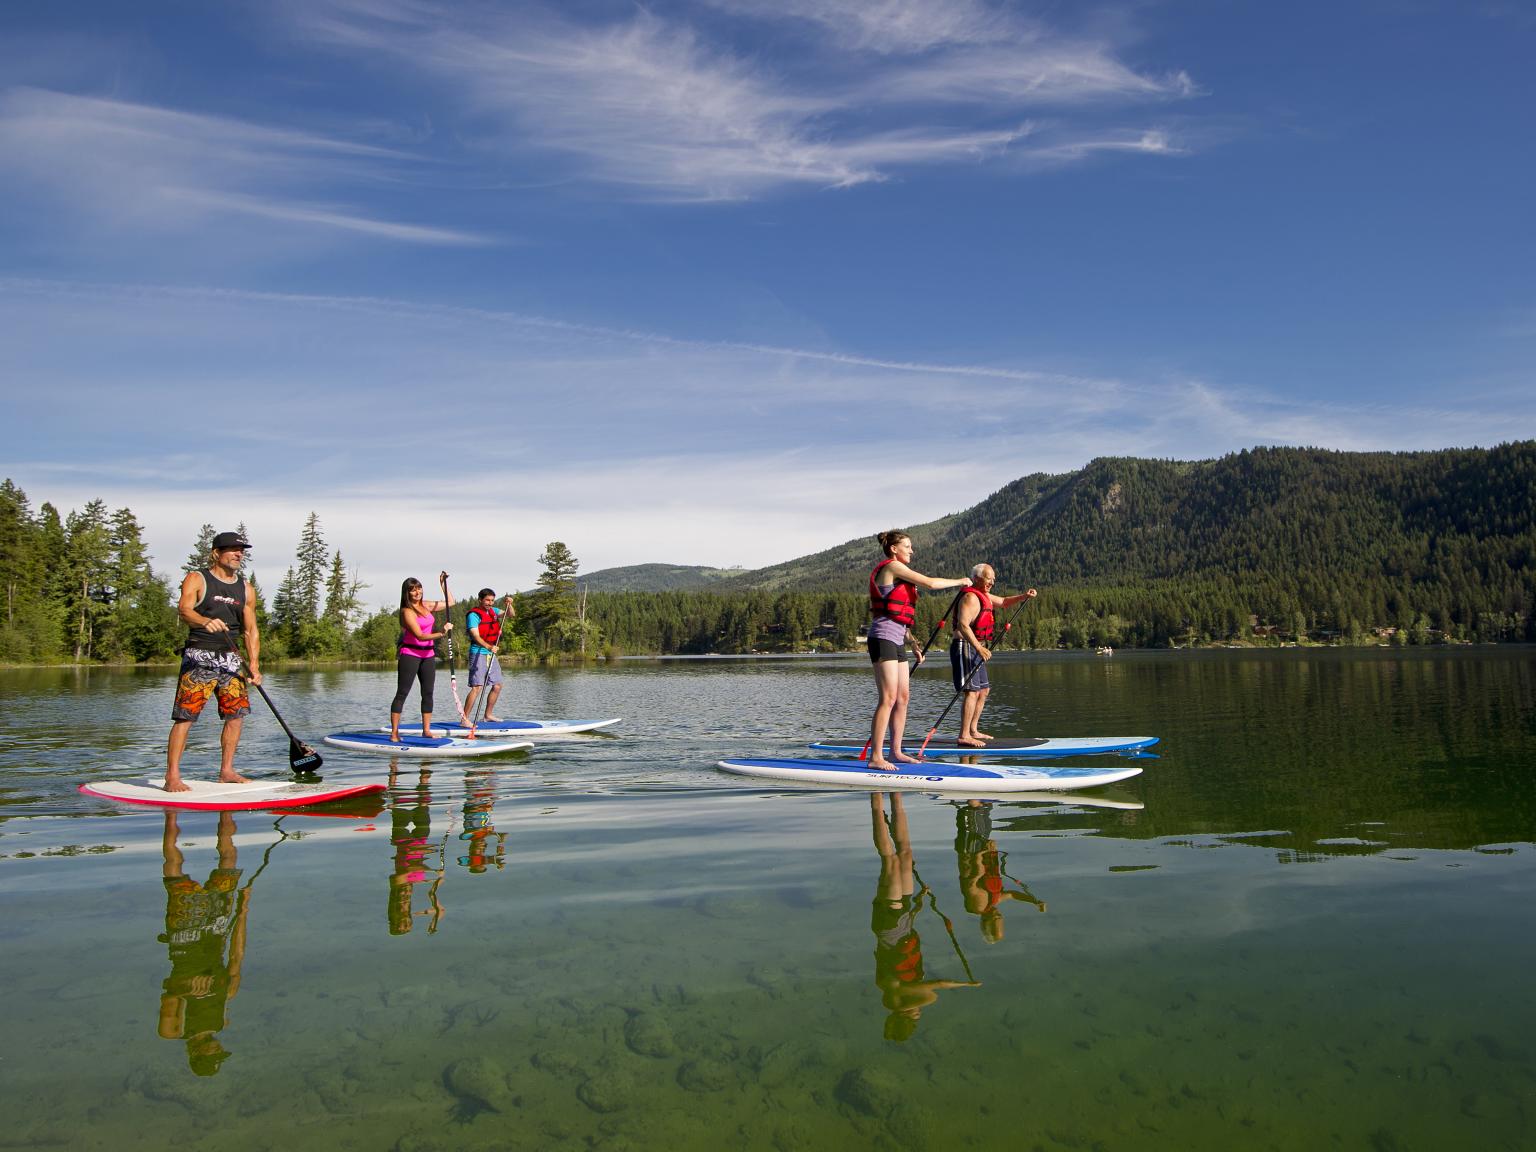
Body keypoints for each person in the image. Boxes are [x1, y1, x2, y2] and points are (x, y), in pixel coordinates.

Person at [869, 793, 978, 1041]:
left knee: (890, 861)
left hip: (888, 925)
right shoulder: (905, 996)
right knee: (905, 853)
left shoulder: (893, 998)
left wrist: (961, 985)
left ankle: (876, 799)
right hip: (904, 921)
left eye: (916, 1016)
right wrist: (918, 904)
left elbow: (933, 991)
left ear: (904, 1017)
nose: (919, 1011)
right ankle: (896, 796)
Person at [157, 810, 251, 1076]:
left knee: (174, 866)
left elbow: (168, 994)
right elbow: (237, 955)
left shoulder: (174, 1030)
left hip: (184, 932)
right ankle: (226, 812)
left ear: (197, 1055)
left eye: (214, 1054)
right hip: (217, 925)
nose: (217, 1048)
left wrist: (187, 990)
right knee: (229, 860)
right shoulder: (224, 1009)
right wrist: (243, 911)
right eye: (219, 1052)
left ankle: (170, 814)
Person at [166, 530, 261, 793]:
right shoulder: (197, 578)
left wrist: (254, 664)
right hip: (200, 654)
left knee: (236, 715)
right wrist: (204, 621)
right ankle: (172, 776)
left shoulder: (245, 588)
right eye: (232, 549)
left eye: (241, 550)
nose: (238, 554)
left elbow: (251, 630)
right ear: (216, 553)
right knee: (186, 716)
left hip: (231, 659)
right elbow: (184, 610)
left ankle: (227, 771)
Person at [866, 530, 969, 769]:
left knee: (903, 698)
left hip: (898, 639)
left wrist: (913, 643)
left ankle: (895, 752)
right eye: (908, 546)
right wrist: (960, 581)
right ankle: (876, 757)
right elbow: (931, 583)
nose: (912, 550)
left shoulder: (899, 573)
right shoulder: (891, 567)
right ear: (894, 549)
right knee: (888, 697)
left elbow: (899, 617)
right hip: (882, 638)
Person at [950, 564, 1038, 746]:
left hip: (976, 648)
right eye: (988, 578)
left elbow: (1004, 602)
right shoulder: (970, 597)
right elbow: (963, 625)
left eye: (993, 579)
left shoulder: (986, 597)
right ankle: (964, 735)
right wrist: (979, 648)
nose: (992, 582)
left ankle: (973, 729)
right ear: (977, 578)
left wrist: (1024, 596)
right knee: (972, 692)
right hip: (965, 646)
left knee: (983, 690)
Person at [953, 801, 1045, 943]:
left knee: (974, 807)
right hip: (982, 850)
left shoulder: (978, 906)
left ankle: (971, 785)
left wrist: (981, 853)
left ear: (986, 921)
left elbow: (972, 881)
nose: (998, 914)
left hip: (971, 851)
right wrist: (1033, 901)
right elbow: (1012, 895)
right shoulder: (992, 903)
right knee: (985, 806)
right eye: (1000, 917)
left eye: (996, 917)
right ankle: (982, 786)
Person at [389, 574, 453, 743]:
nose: (417, 592)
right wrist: (443, 632)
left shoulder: (426, 605)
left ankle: (426, 730)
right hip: (410, 654)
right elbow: (419, 635)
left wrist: (443, 584)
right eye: (412, 589)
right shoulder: (407, 611)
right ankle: (394, 733)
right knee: (402, 693)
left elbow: (450, 602)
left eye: (419, 588)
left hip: (428, 655)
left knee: (428, 693)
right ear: (407, 593)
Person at [463, 590, 516, 723]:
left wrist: (509, 604)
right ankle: (465, 719)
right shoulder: (474, 615)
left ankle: (488, 715)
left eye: (492, 600)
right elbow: (475, 636)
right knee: (477, 687)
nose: (490, 603)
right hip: (478, 652)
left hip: (490, 653)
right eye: (487, 600)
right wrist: (489, 647)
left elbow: (511, 615)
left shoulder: (493, 611)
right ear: (480, 600)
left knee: (497, 685)